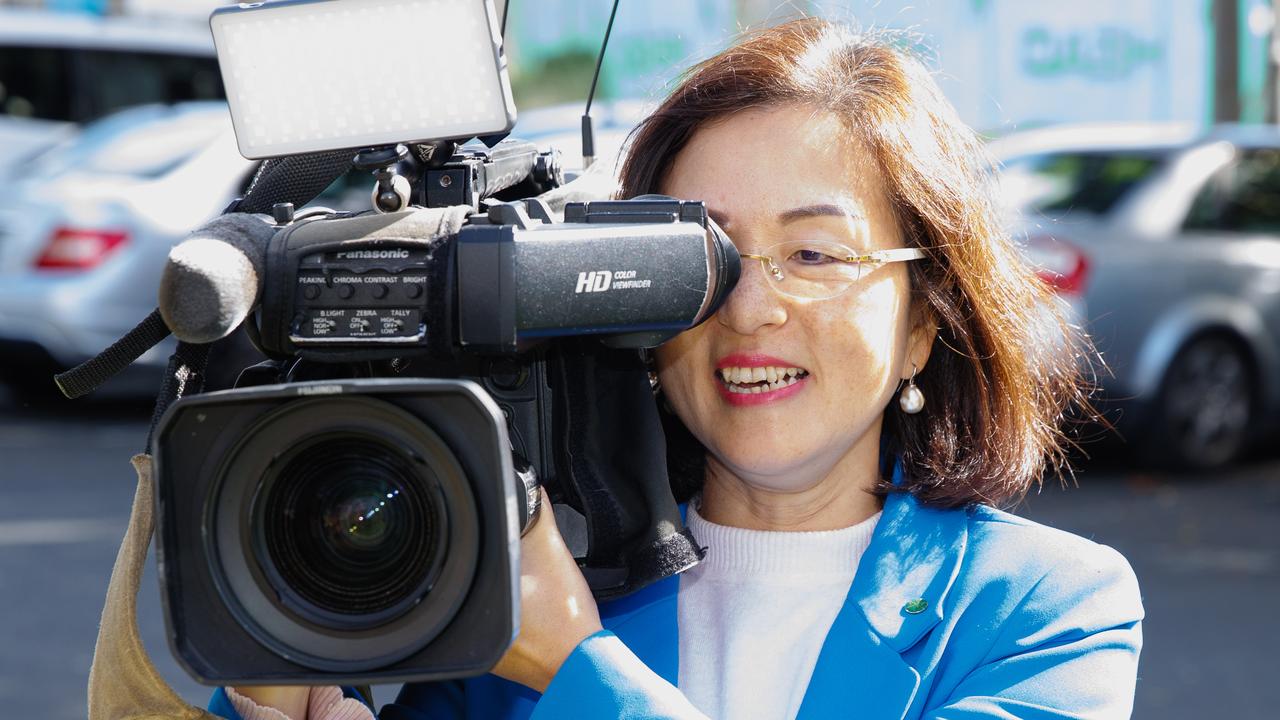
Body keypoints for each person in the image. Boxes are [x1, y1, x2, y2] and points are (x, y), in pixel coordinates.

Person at [212, 18, 1142, 720]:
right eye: (706, 258)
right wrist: (269, 646)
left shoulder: (1047, 607)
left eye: (814, 255)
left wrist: (575, 666)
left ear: (922, 327)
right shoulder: (509, 587)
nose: (751, 305)